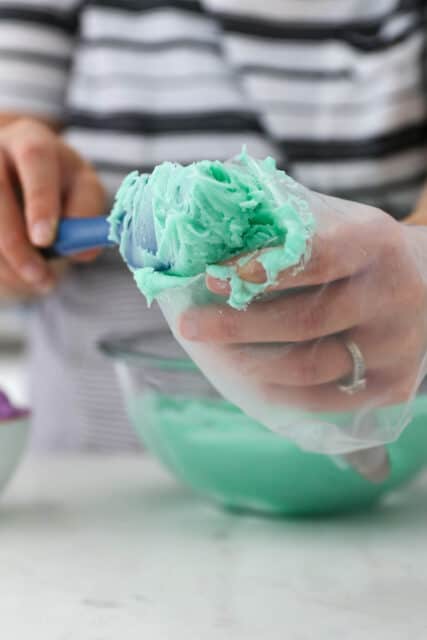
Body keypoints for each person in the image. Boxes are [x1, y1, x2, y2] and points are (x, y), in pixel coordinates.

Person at [0, 0, 426, 450]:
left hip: (388, 426)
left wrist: (420, 257)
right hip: (98, 462)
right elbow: (11, 129)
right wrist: (21, 211)